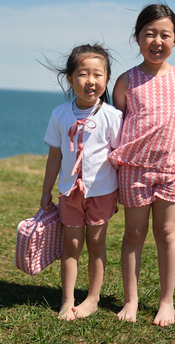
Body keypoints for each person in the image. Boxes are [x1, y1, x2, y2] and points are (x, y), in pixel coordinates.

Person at [108, 3, 175, 327]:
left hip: (172, 169)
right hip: (134, 170)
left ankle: (166, 301)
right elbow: (113, 130)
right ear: (137, 38)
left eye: (165, 34)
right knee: (133, 233)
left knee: (166, 232)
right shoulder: (125, 81)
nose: (157, 41)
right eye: (150, 34)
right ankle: (130, 300)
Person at [40, 44, 123, 320]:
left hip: (102, 192)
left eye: (98, 75)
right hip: (68, 192)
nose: (91, 81)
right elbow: (54, 156)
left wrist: (121, 194)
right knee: (72, 245)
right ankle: (66, 299)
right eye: (83, 74)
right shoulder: (59, 114)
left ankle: (93, 298)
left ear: (107, 79)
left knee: (97, 244)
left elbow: (119, 158)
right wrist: (46, 191)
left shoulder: (112, 116)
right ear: (70, 78)